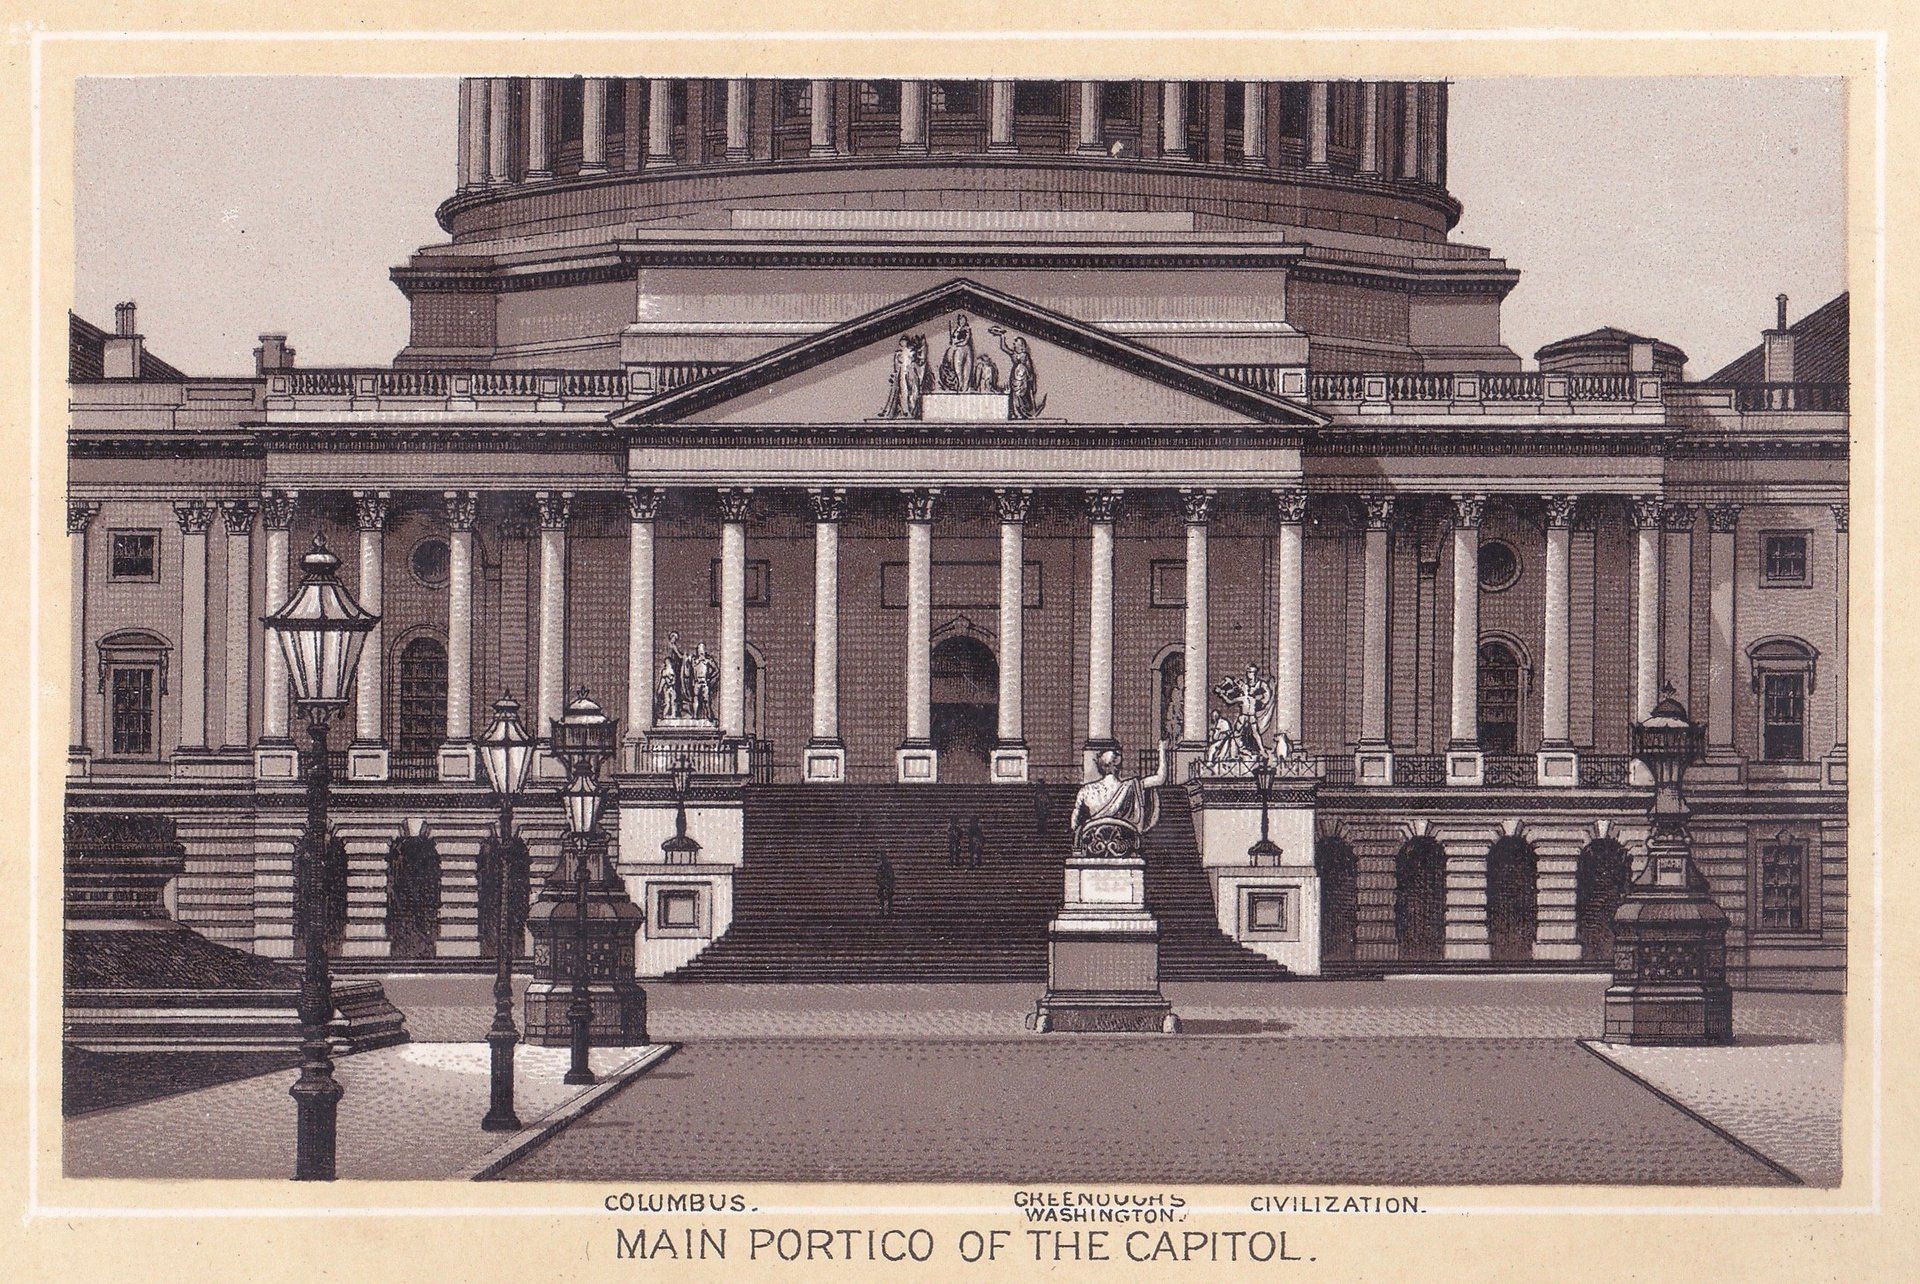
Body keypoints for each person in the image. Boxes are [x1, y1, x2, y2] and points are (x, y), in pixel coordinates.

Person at [1070, 741, 1170, 859]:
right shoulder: (1132, 786)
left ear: (1100, 767)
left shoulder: (1086, 790)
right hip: (1123, 843)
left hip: (1094, 844)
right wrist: (1162, 750)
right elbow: (1160, 779)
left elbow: (1074, 823)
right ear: (1118, 767)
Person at [876, 853, 896, 917]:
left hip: (887, 887)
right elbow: (878, 878)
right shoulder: (880, 868)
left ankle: (888, 912)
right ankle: (882, 912)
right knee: (882, 900)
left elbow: (891, 877)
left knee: (888, 899)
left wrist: (887, 885)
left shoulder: (888, 868)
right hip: (883, 887)